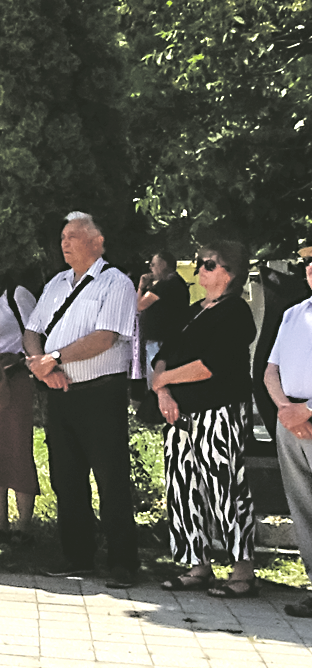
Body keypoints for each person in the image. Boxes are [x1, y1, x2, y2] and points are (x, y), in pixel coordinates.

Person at [24, 212, 140, 587]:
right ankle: (78, 556)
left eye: (73, 236)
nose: (65, 243)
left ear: (97, 242)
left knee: (111, 477)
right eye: (63, 237)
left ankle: (123, 561)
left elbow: (105, 337)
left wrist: (55, 358)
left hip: (101, 393)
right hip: (61, 393)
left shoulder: (116, 283)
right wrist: (42, 366)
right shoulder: (56, 283)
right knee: (66, 477)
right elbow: (32, 330)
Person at [151, 241, 258, 598]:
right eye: (199, 263)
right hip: (179, 414)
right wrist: (163, 392)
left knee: (225, 487)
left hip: (220, 410)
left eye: (209, 264)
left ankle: (242, 571)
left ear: (230, 273)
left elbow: (209, 366)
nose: (200, 269)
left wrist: (163, 381)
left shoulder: (236, 312)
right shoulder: (194, 311)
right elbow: (164, 354)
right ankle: (196, 564)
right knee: (183, 487)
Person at [262, 246, 312, 619]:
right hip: (289, 419)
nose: (311, 268)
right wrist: (285, 409)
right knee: (302, 507)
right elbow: (270, 370)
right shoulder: (294, 313)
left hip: (304, 412)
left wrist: (305, 411)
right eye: (308, 263)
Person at [0, 276, 41, 537]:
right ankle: (0, 525)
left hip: (14, 380)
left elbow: (34, 332)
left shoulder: (16, 295)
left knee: (18, 448)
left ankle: (24, 525)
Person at [138, 250, 190, 389]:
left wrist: (141, 287)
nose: (150, 268)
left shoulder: (166, 283)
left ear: (163, 264)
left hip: (160, 342)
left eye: (153, 264)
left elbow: (140, 305)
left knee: (157, 384)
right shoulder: (176, 282)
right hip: (166, 340)